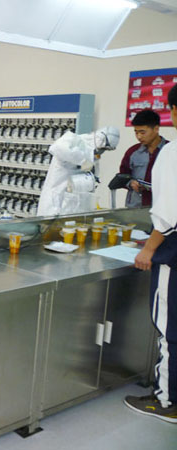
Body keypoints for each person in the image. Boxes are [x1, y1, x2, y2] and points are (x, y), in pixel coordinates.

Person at [125, 85, 177, 423]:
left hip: (172, 252)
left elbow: (169, 214)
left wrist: (149, 248)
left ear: (172, 112)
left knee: (169, 329)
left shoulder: (172, 153)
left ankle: (166, 401)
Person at [119, 109, 168, 208]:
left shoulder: (170, 150)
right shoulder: (132, 152)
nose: (139, 137)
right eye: (136, 132)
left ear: (156, 129)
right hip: (136, 207)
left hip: (163, 208)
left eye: (142, 132)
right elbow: (123, 176)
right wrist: (131, 183)